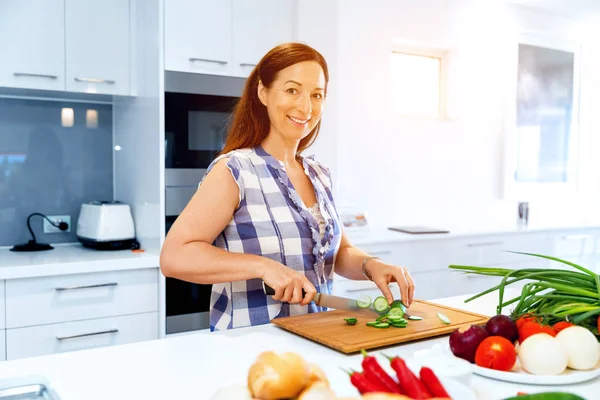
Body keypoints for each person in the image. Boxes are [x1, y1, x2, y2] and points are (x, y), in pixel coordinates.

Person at [160, 42, 416, 331]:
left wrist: (372, 266)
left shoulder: (319, 174)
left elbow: (340, 253)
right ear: (263, 92)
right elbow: (175, 256)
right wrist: (264, 267)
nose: (306, 107)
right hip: (250, 347)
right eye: (292, 90)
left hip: (318, 337)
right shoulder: (235, 170)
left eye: (316, 95)